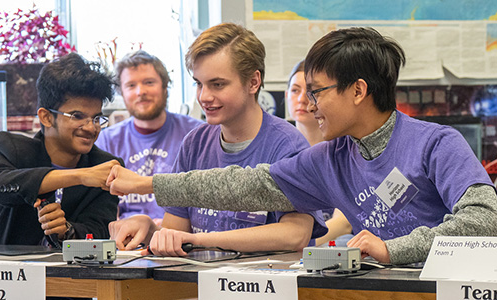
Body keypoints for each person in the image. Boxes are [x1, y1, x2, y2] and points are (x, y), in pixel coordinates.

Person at [106, 27, 497, 265]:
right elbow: (243, 185)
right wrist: (146, 185)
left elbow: (485, 221)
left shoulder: (437, 144)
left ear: (358, 90)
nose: (306, 105)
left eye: (317, 92)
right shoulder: (328, 159)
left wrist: (394, 249)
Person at [108, 22, 327, 256]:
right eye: (199, 84)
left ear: (253, 82)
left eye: (218, 84)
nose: (204, 97)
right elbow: (176, 233)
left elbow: (295, 235)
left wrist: (199, 240)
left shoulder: (287, 144)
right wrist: (151, 230)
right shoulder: (195, 143)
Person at [0, 53, 122, 246]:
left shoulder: (103, 167)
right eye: (77, 116)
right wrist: (80, 176)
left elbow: (99, 229)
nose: (91, 128)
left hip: (72, 275)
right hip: (6, 272)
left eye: (96, 118)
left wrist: (66, 231)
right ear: (46, 117)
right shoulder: (12, 149)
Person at [95, 50, 202, 224]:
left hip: (178, 236)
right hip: (125, 242)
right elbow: (101, 208)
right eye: (131, 85)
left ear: (165, 86)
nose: (140, 91)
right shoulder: (106, 141)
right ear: (121, 92)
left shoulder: (196, 135)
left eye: (149, 82)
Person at [285, 60, 353, 246]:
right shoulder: (279, 147)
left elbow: (343, 224)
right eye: (295, 90)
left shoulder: (343, 150)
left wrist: (298, 244)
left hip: (325, 243)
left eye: (311, 92)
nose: (301, 99)